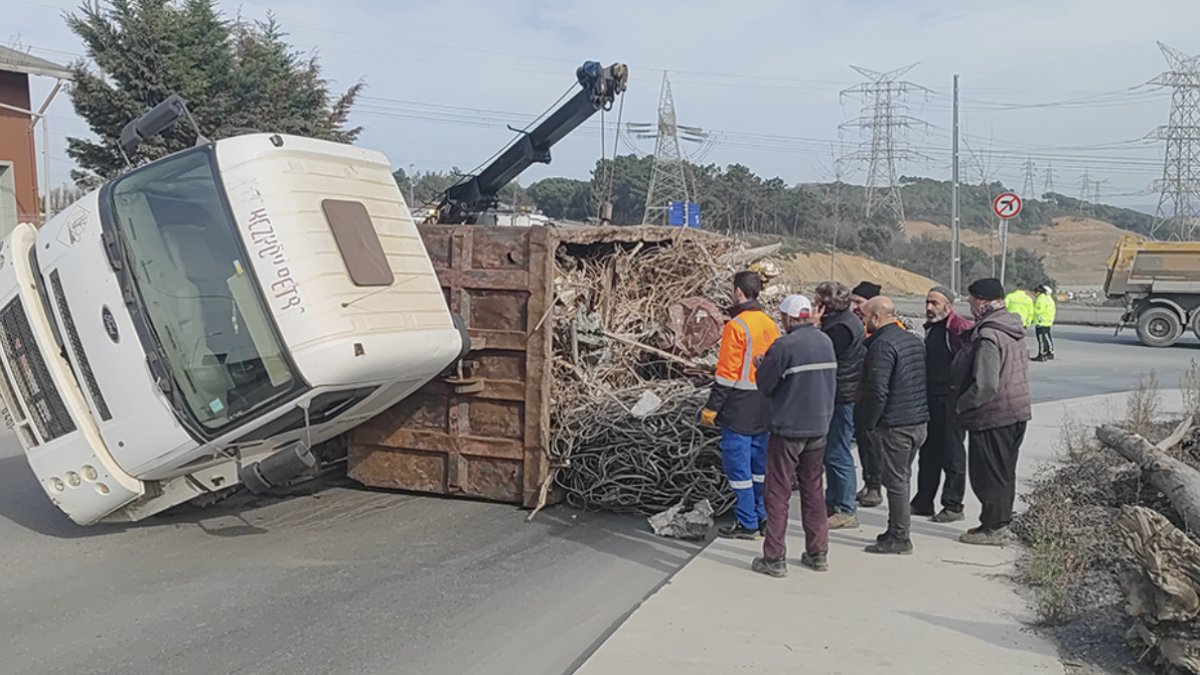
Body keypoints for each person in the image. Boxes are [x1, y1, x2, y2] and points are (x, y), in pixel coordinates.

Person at [752, 294, 838, 577]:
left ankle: (774, 557)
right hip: (819, 428)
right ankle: (818, 553)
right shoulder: (825, 341)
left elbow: (766, 384)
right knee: (814, 490)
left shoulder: (783, 345)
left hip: (788, 429)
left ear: (788, 319)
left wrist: (760, 364)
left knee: (777, 491)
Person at [952, 278, 1032, 546]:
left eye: (971, 298)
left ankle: (994, 529)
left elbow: (986, 384)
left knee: (989, 473)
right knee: (1004, 471)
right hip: (1016, 410)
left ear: (983, 301)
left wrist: (962, 403)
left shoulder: (988, 334)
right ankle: (994, 522)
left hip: (993, 415)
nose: (969, 303)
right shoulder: (1011, 326)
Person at [701, 270, 781, 539]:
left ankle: (747, 523)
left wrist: (712, 409)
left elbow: (726, 374)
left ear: (738, 292)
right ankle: (762, 517)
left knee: (739, 470)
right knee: (759, 468)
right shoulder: (770, 324)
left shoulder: (736, 326)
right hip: (765, 406)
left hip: (739, 409)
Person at [857, 296, 929, 555]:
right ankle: (894, 529)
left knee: (896, 482)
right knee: (903, 478)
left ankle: (900, 537)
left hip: (896, 423)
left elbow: (878, 390)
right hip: (918, 420)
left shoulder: (882, 346)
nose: (863, 322)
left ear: (877, 317)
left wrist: (868, 422)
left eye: (865, 317)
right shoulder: (912, 339)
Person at [911, 285, 973, 523]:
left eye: (934, 303)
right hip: (931, 401)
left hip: (951, 402)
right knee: (928, 453)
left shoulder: (957, 328)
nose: (929, 307)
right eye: (927, 302)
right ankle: (923, 501)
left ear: (948, 306)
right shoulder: (932, 327)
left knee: (953, 454)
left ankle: (953, 505)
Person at [813, 281, 866, 530]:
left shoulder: (841, 328)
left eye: (817, 302)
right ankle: (834, 501)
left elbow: (820, 353)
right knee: (830, 451)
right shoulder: (843, 321)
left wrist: (813, 328)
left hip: (840, 395)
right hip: (837, 392)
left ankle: (846, 508)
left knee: (838, 451)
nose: (813, 306)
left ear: (827, 305)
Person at [850, 280, 884, 507]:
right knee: (864, 443)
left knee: (873, 445)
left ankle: (875, 487)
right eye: (853, 301)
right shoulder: (858, 327)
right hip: (859, 396)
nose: (855, 307)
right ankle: (868, 484)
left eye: (860, 302)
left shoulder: (882, 333)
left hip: (875, 398)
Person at [1033, 284, 1057, 362]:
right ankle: (1050, 352)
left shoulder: (1041, 299)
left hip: (1041, 321)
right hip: (1047, 321)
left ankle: (1042, 354)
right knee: (1047, 337)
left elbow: (1037, 311)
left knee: (1041, 338)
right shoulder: (1049, 299)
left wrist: (1031, 309)